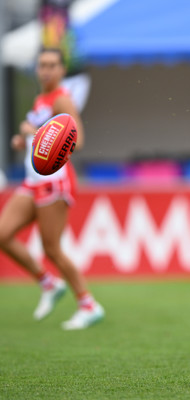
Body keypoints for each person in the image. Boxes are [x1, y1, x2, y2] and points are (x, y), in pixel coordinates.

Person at [0, 48, 104, 330]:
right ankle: (48, 283)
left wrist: (34, 132)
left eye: (52, 65)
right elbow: (39, 138)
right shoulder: (40, 99)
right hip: (32, 180)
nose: (46, 70)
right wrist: (25, 139)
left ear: (61, 71)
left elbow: (77, 140)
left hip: (54, 181)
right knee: (3, 234)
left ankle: (88, 304)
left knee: (52, 248)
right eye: (42, 65)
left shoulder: (61, 99)